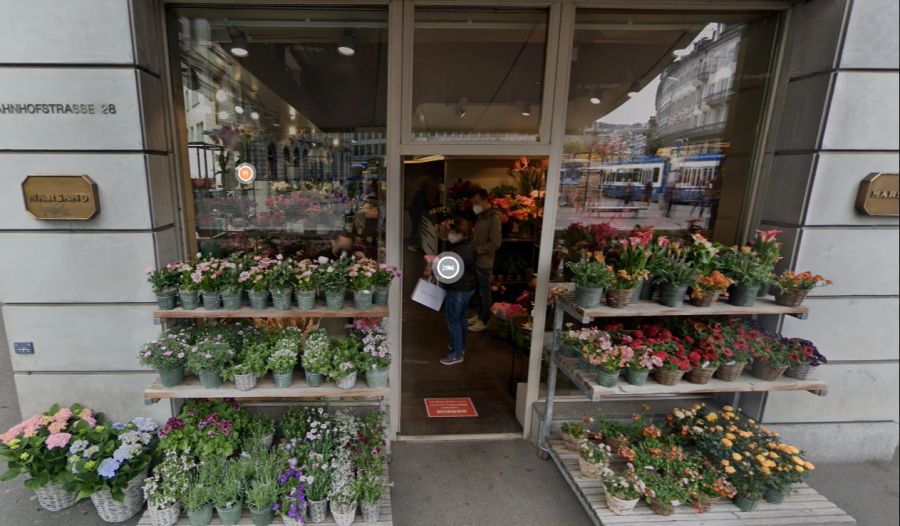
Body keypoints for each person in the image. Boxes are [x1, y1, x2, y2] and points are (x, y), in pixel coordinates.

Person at [428, 217, 477, 365]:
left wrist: (435, 261)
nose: (450, 235)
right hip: (468, 287)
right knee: (461, 318)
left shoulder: (461, 250)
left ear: (460, 233)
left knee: (453, 321)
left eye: (452, 232)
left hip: (458, 289)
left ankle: (456, 354)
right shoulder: (468, 245)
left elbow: (450, 267)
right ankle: (460, 347)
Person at [468, 188, 503, 332]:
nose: (474, 205)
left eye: (476, 202)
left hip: (485, 261)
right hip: (476, 260)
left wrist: (478, 250)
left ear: (484, 200)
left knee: (484, 291)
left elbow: (496, 243)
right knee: (478, 290)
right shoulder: (481, 216)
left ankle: (484, 320)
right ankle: (479, 314)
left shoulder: (494, 217)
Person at [408, 179, 434, 252]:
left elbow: (424, 202)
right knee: (415, 229)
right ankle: (411, 244)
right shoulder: (421, 193)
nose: (429, 189)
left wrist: (429, 205)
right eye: (428, 187)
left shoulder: (421, 192)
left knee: (415, 228)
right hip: (415, 212)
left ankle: (414, 243)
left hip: (414, 211)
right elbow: (422, 204)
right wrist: (429, 207)